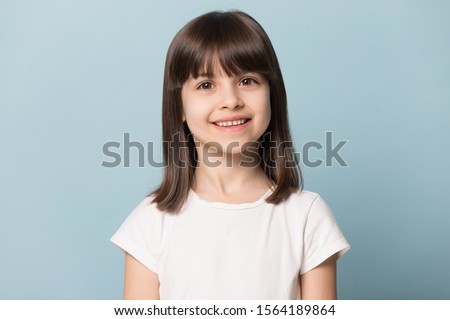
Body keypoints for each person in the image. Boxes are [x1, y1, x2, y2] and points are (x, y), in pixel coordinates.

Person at [111, 10, 350, 300]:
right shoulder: (150, 222)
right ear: (179, 107)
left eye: (247, 80)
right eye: (206, 85)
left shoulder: (306, 217)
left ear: (272, 95)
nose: (231, 101)